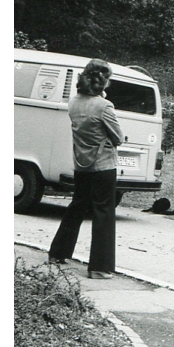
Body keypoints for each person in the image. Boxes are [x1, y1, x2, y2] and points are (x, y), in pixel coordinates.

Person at [48, 59, 124, 279]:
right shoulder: (104, 106)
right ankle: (99, 267)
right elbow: (118, 137)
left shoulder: (74, 102)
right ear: (104, 80)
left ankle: (58, 253)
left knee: (77, 206)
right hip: (103, 166)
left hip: (81, 164)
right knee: (103, 213)